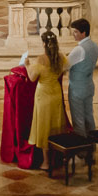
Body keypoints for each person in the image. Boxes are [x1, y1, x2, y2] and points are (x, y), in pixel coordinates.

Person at [23, 30, 67, 169]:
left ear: (43, 43)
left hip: (44, 96)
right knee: (56, 124)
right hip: (56, 93)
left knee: (44, 127)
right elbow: (63, 70)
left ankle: (46, 162)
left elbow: (32, 78)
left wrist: (27, 65)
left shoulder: (41, 59)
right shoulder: (60, 57)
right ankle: (58, 158)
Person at [65, 17, 98, 136]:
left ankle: (82, 151)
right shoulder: (95, 46)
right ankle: (92, 148)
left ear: (83, 33)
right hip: (89, 85)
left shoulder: (78, 49)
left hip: (77, 89)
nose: (73, 34)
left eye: (76, 32)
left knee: (78, 120)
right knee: (89, 117)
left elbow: (65, 66)